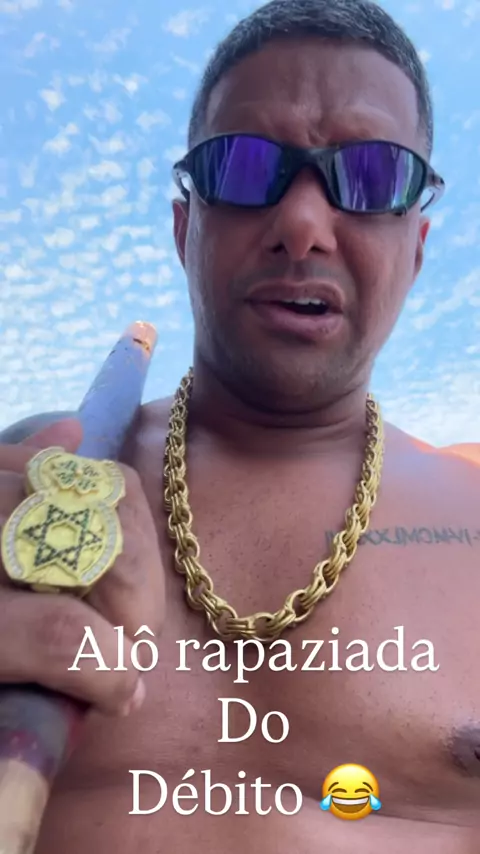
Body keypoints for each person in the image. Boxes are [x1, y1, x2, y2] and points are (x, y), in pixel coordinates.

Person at [0, 0, 479, 850]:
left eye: (373, 177)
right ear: (186, 228)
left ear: (416, 248)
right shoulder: (36, 477)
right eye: (244, 167)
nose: (301, 226)